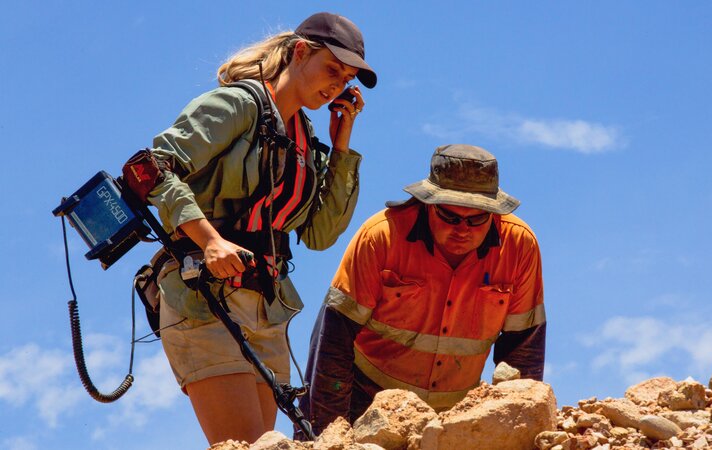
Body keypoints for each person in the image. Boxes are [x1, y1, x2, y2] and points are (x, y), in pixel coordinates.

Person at [144, 12, 377, 445]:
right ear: (300, 52)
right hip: (202, 297)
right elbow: (152, 167)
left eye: (345, 79)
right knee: (246, 444)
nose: (336, 86)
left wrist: (341, 146)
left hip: (267, 309)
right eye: (331, 69)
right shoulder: (237, 104)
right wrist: (210, 242)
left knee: (266, 444)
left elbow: (320, 235)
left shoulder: (306, 138)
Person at [299, 144, 546, 435]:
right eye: (450, 217)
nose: (462, 229)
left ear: (494, 212)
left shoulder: (519, 246)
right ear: (428, 203)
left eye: (477, 219)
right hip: (365, 401)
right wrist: (329, 434)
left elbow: (524, 352)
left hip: (454, 415)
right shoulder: (380, 237)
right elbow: (332, 342)